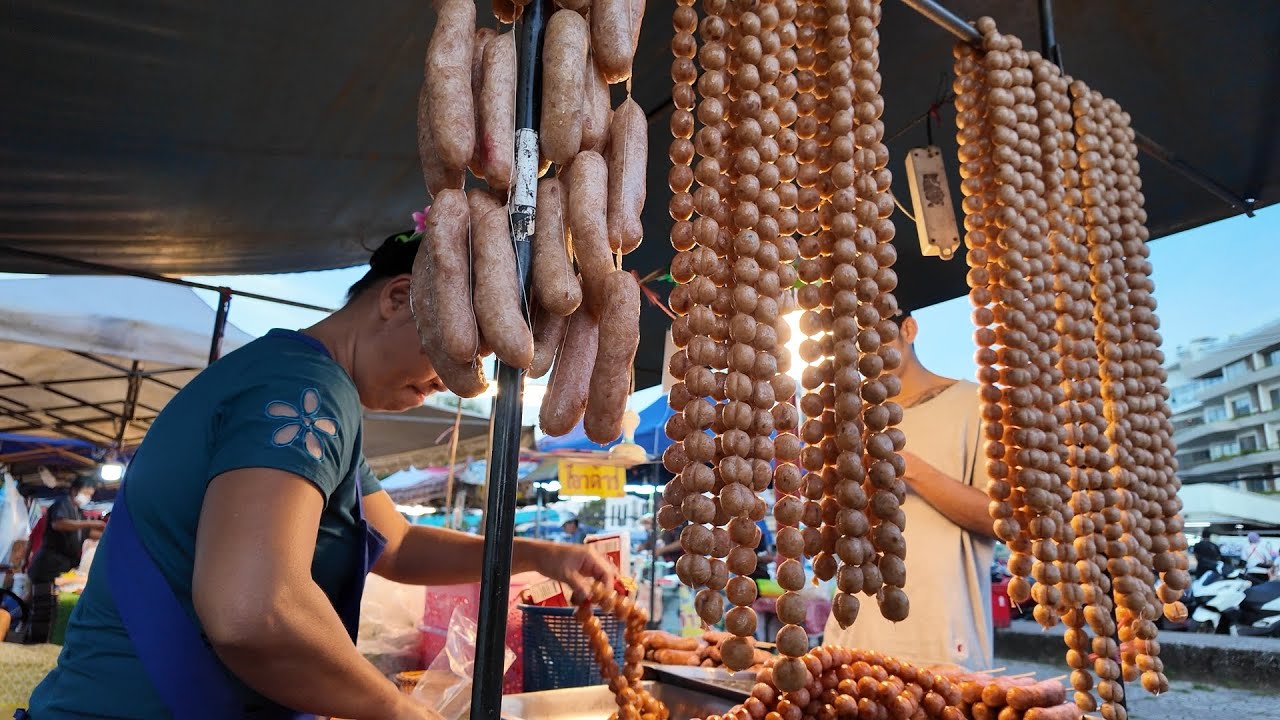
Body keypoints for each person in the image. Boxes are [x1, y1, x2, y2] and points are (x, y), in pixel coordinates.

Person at [29, 233, 615, 720]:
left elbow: (397, 545)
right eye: (461, 352)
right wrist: (397, 710)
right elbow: (252, 613)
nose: (458, 382)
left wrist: (541, 555)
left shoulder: (303, 386)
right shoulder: (304, 389)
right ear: (399, 298)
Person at [822, 312, 997, 670]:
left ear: (909, 329)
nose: (867, 355)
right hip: (856, 632)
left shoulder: (974, 404)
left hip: (943, 635)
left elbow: (999, 519)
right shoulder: (851, 422)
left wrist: (910, 469)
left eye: (876, 339)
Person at [26, 477, 104, 585]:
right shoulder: (62, 504)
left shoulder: (79, 512)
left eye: (90, 495)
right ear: (75, 490)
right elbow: (58, 524)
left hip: (64, 566)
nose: (88, 497)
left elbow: (86, 532)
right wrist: (90, 523)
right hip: (49, 565)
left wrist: (109, 536)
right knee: (45, 593)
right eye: (86, 493)